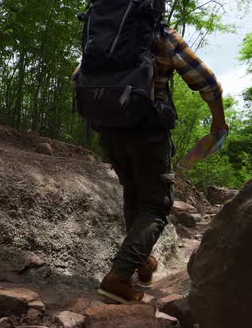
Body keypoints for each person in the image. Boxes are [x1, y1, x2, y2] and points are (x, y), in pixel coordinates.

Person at [72, 19, 229, 303]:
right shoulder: (160, 34)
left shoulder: (103, 37)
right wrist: (219, 123)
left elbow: (77, 78)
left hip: (110, 132)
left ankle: (142, 263)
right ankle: (118, 278)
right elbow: (206, 81)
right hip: (148, 131)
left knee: (133, 194)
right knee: (156, 206)